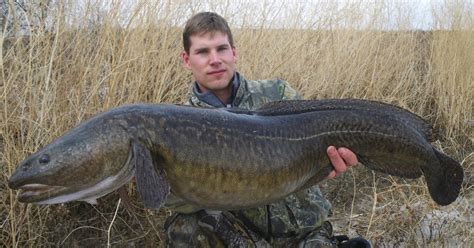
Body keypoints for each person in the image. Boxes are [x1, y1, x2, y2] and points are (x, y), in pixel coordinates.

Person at [164, 12, 370, 247]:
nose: (215, 59)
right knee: (183, 228)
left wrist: (329, 162)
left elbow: (321, 145)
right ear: (187, 60)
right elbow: (172, 200)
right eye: (202, 52)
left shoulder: (278, 94)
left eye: (221, 48)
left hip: (306, 231)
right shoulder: (176, 127)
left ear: (234, 52)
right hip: (246, 238)